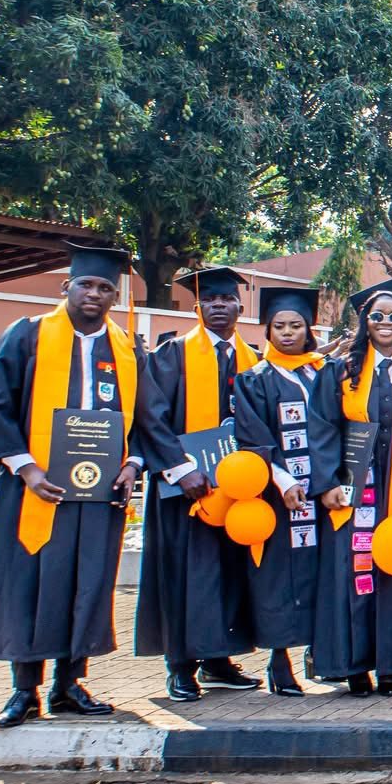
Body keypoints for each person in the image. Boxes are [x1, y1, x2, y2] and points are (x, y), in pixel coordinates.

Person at [0, 245, 153, 728]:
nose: (95, 294)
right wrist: (28, 469)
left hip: (98, 494)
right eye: (87, 285)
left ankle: (70, 684)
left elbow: (147, 418)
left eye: (105, 288)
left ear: (114, 296)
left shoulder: (127, 349)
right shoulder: (27, 336)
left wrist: (133, 464)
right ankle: (24, 690)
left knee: (87, 583)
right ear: (66, 287)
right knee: (31, 584)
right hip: (34, 488)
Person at [133, 265, 260, 701]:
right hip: (184, 491)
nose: (219, 306)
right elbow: (149, 415)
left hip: (238, 494)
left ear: (241, 306)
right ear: (198, 306)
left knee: (228, 574)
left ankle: (219, 661)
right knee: (185, 576)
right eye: (211, 300)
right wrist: (179, 469)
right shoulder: (172, 355)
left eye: (227, 300)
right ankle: (181, 667)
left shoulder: (253, 360)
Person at [314, 279, 392, 695]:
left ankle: (391, 664)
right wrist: (328, 482)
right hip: (356, 490)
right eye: (377, 316)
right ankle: (355, 665)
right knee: (357, 572)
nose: (386, 323)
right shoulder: (340, 372)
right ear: (365, 323)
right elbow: (322, 430)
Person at [231, 285, 339, 697]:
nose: (289, 333)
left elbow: (340, 429)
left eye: (296, 325)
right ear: (268, 330)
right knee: (279, 576)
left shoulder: (324, 373)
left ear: (309, 330)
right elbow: (253, 438)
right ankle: (280, 662)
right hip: (282, 496)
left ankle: (322, 656)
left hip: (325, 494)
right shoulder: (254, 379)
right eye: (280, 326)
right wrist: (284, 480)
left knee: (323, 571)